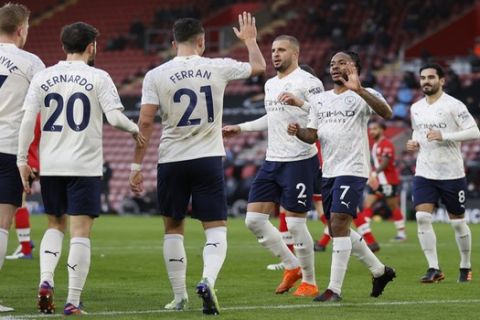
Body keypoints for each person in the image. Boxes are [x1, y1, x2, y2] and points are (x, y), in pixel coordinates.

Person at [129, 13, 265, 315]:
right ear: (202, 42)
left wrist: (136, 167)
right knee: (215, 228)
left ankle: (179, 297)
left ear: (173, 42)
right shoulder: (217, 66)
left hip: (172, 160)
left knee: (173, 227)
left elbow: (146, 121)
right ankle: (207, 279)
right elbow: (259, 67)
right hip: (207, 158)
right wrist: (251, 41)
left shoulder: (155, 75)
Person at [17, 22, 144, 315]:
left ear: (63, 46)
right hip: (84, 166)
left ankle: (46, 280)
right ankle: (73, 300)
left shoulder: (43, 76)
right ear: (91, 47)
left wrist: (22, 160)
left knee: (54, 225)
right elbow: (115, 118)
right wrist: (135, 128)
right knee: (81, 232)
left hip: (51, 165)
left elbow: (27, 121)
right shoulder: (99, 77)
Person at [288, 51, 396, 302]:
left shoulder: (362, 94)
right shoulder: (320, 100)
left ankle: (334, 290)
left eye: (342, 63)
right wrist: (298, 132)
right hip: (329, 171)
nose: (335, 67)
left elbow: (387, 113)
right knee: (338, 228)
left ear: (355, 67)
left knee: (337, 222)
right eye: (332, 64)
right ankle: (380, 271)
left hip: (354, 169)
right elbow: (312, 135)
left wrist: (359, 90)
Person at [223, 36, 324, 297]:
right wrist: (241, 127)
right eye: (273, 51)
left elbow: (324, 113)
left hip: (300, 160)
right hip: (273, 160)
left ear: (296, 52)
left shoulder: (309, 82)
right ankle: (292, 267)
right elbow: (272, 116)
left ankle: (310, 281)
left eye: (281, 50)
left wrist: (300, 105)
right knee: (254, 220)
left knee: (295, 225)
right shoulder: (270, 84)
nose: (275, 55)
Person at [406, 62, 480, 283]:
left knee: (457, 222)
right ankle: (434, 268)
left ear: (442, 80)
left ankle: (465, 266)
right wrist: (413, 142)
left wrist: (445, 135)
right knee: (421, 217)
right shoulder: (416, 107)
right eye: (423, 78)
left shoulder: (454, 105)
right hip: (424, 172)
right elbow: (417, 131)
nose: (426, 81)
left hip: (451, 173)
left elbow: (475, 131)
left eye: (430, 77)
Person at [0, 3, 45, 313]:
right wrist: (33, 159)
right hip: (8, 149)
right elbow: (38, 114)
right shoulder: (31, 62)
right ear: (20, 30)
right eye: (27, 28)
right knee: (2, 223)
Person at [360, 120, 406, 241]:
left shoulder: (387, 144)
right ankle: (365, 231)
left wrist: (375, 172)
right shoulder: (375, 145)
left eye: (375, 129)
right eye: (370, 129)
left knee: (393, 206)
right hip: (377, 181)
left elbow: (386, 161)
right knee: (367, 205)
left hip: (388, 181)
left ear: (381, 129)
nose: (371, 132)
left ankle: (401, 234)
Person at [6, 114, 41, 260]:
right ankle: (26, 244)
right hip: (32, 161)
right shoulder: (40, 114)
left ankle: (26, 247)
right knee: (18, 203)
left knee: (17, 204)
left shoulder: (20, 113)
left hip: (22, 162)